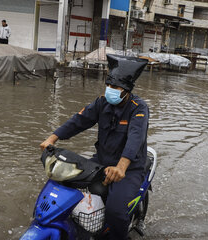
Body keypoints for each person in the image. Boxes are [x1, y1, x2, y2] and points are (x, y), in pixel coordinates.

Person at [40, 54, 149, 240]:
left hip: (128, 168)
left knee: (115, 211)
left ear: (127, 89)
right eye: (108, 85)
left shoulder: (138, 108)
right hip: (100, 161)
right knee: (65, 188)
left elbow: (135, 138)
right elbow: (78, 121)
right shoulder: (102, 103)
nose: (109, 90)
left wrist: (121, 167)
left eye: (115, 87)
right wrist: (52, 139)